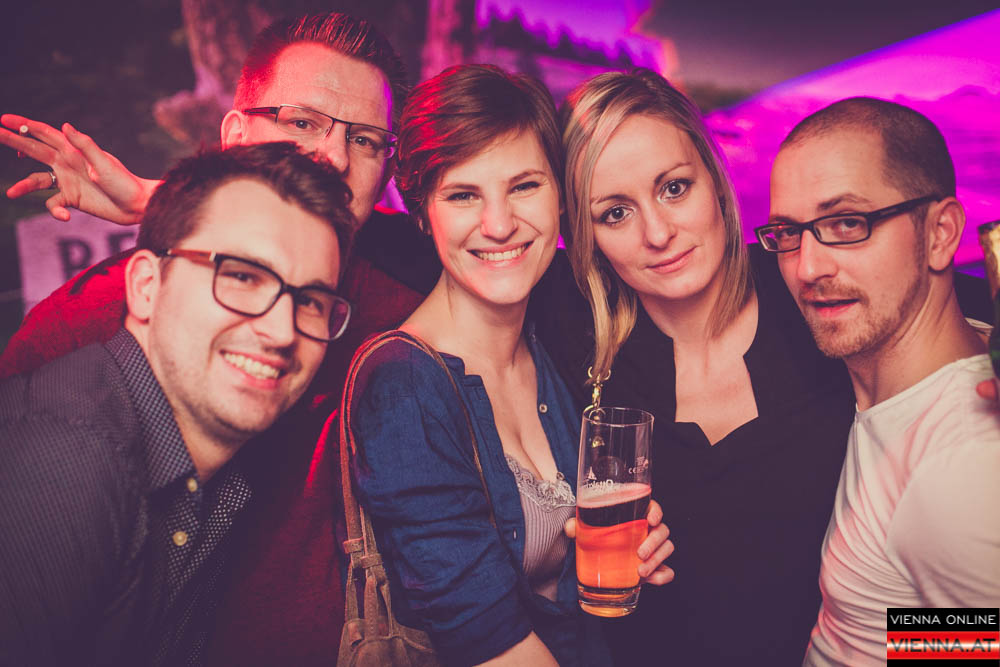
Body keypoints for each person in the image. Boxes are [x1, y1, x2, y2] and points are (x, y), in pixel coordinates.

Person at [0, 13, 439, 664]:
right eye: (301, 122)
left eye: (366, 140)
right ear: (234, 136)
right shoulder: (83, 342)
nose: (335, 157)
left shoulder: (405, 295)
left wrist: (162, 199)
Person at [343, 64, 674, 666]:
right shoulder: (404, 385)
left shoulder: (552, 346)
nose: (499, 225)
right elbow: (483, 636)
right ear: (422, 213)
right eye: (463, 195)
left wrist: (627, 546)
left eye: (524, 186)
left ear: (560, 197)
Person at [525, 68, 858, 665]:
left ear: (714, 176)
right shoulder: (567, 324)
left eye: (675, 188)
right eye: (614, 213)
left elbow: (944, 599)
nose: (658, 233)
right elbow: (431, 258)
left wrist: (954, 647)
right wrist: (561, 552)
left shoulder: (812, 291)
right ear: (582, 234)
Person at [0, 141, 355, 666]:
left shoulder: (220, 473)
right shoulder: (65, 457)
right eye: (242, 276)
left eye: (310, 301)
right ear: (146, 286)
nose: (282, 332)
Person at [760, 97, 1000, 666]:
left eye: (848, 223)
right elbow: (955, 643)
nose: (808, 268)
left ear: (940, 234)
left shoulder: (958, 467)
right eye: (788, 233)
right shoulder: (920, 386)